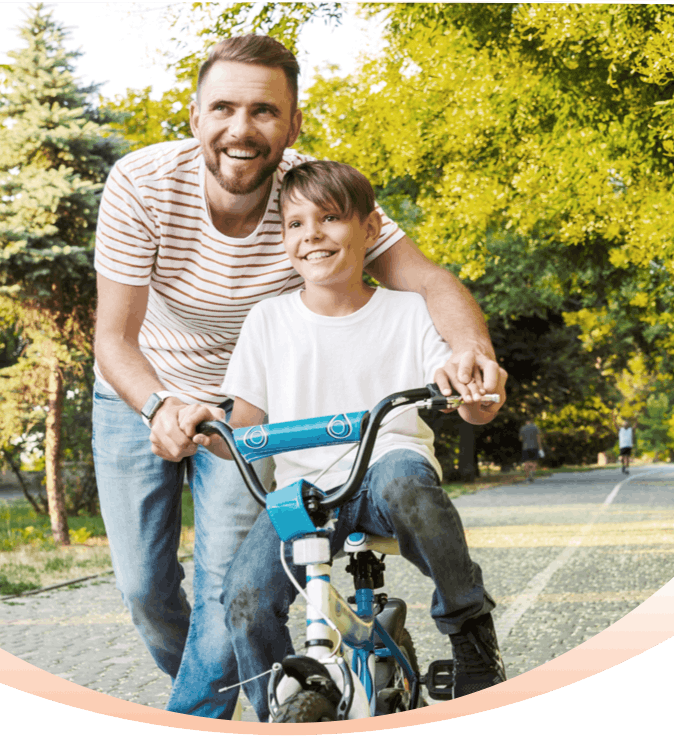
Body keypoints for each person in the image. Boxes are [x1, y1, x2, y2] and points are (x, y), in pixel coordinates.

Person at [92, 35, 506, 719]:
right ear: (194, 116)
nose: (241, 128)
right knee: (146, 591)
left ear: (293, 124)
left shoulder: (313, 192)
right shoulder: (142, 184)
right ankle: (218, 676)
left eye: (264, 111)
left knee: (232, 592)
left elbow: (427, 281)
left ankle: (218, 712)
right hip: (147, 388)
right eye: (223, 108)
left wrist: (472, 360)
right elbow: (114, 336)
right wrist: (161, 404)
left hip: (252, 408)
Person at [180, 160, 508, 720]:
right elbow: (248, 428)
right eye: (295, 223)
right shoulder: (268, 320)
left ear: (371, 230)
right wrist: (207, 428)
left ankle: (468, 628)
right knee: (245, 600)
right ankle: (279, 708)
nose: (311, 234)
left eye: (330, 218)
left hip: (386, 469)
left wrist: (475, 396)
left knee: (406, 481)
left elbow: (466, 400)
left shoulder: (408, 313)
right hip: (304, 491)